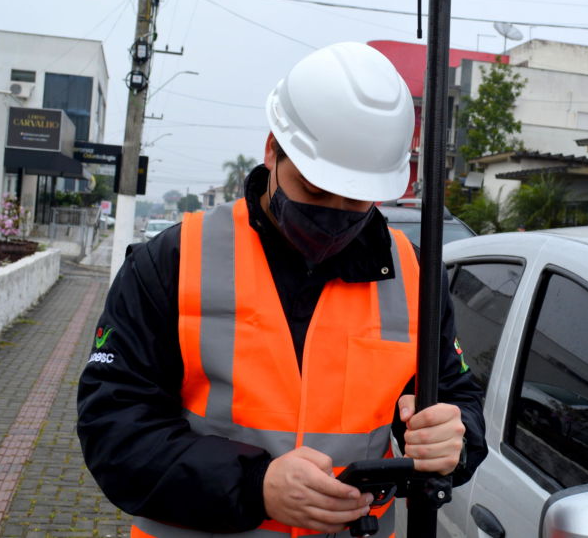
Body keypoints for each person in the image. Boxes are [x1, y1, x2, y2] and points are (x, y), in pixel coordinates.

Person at [76, 42, 486, 538]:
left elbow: (455, 394)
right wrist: (255, 486)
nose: (335, 213)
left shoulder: (416, 275)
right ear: (272, 151)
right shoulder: (173, 260)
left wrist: (453, 437)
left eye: (357, 199)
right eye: (314, 189)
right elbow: (114, 427)